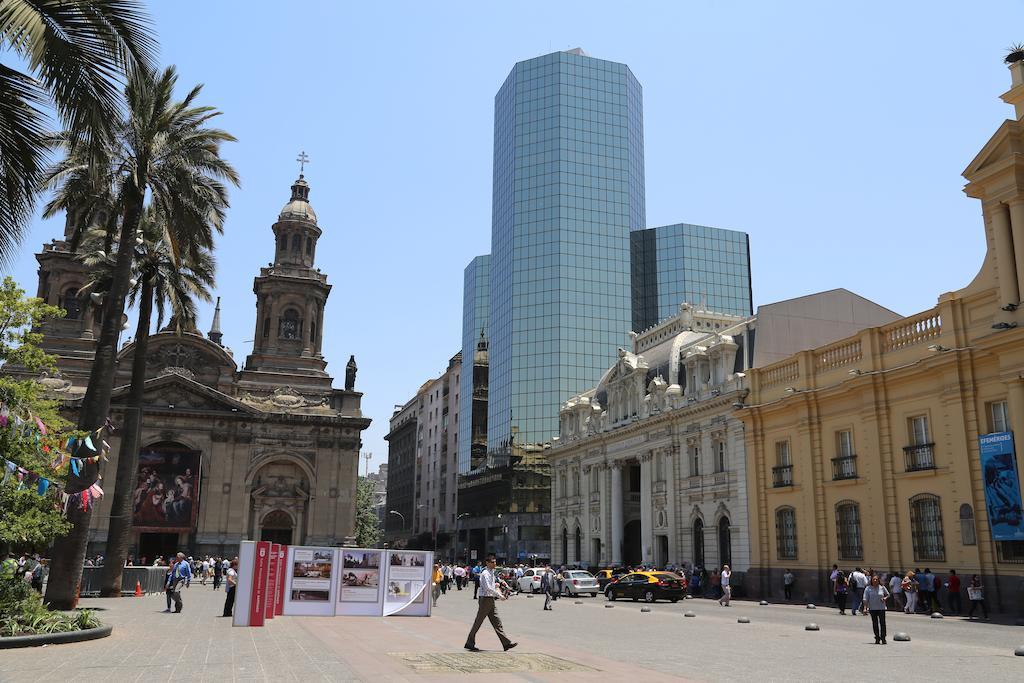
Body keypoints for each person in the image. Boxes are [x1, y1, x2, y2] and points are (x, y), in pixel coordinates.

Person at [464, 555, 517, 652]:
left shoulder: (492, 572)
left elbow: (493, 585)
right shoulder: (485, 573)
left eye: (495, 562)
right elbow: (488, 588)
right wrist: (499, 595)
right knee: (478, 622)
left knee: (497, 621)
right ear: (487, 563)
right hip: (485, 599)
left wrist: (497, 587)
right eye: (492, 562)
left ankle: (506, 643)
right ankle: (469, 642)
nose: (494, 564)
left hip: (490, 599)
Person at [862, 574, 890, 644]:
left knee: (882, 623)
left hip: (881, 608)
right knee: (875, 623)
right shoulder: (868, 588)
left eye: (876, 579)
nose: (875, 580)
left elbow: (888, 594)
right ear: (871, 580)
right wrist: (865, 608)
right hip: (872, 608)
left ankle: (883, 638)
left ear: (878, 580)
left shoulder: (882, 587)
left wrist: (885, 598)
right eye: (873, 579)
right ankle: (877, 637)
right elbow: (865, 599)